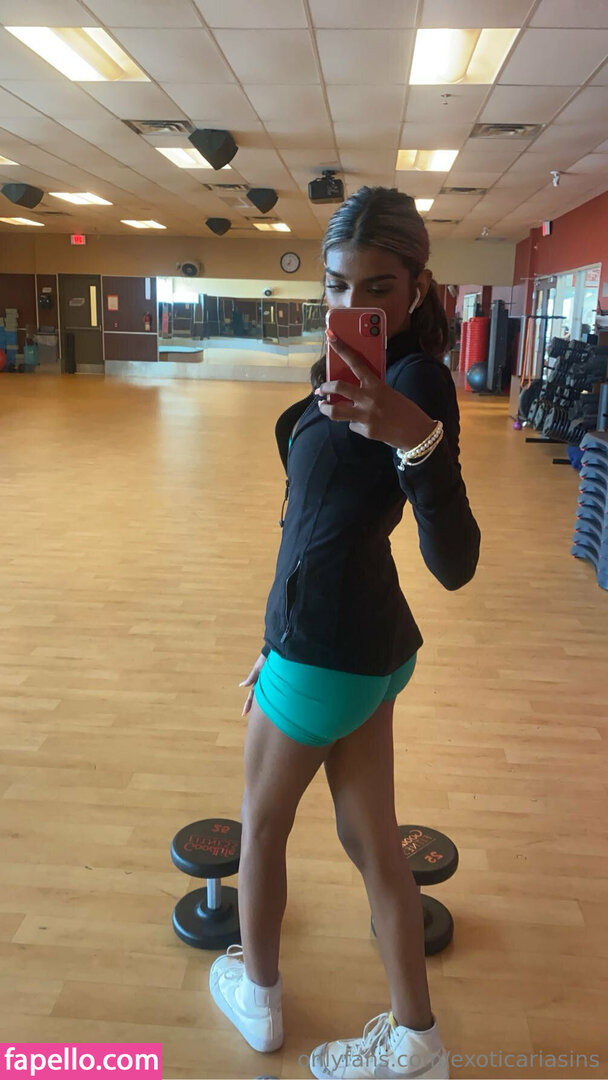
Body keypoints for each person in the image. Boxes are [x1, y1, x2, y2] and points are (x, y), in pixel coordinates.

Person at [208, 187, 481, 1079]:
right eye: (335, 285)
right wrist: (271, 637)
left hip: (325, 651)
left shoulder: (415, 384)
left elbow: (456, 561)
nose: (352, 304)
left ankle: (258, 1001)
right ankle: (419, 1043)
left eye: (376, 288)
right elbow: (310, 526)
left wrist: (418, 441)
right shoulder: (340, 369)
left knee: (260, 827)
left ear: (416, 287)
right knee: (371, 842)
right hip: (365, 648)